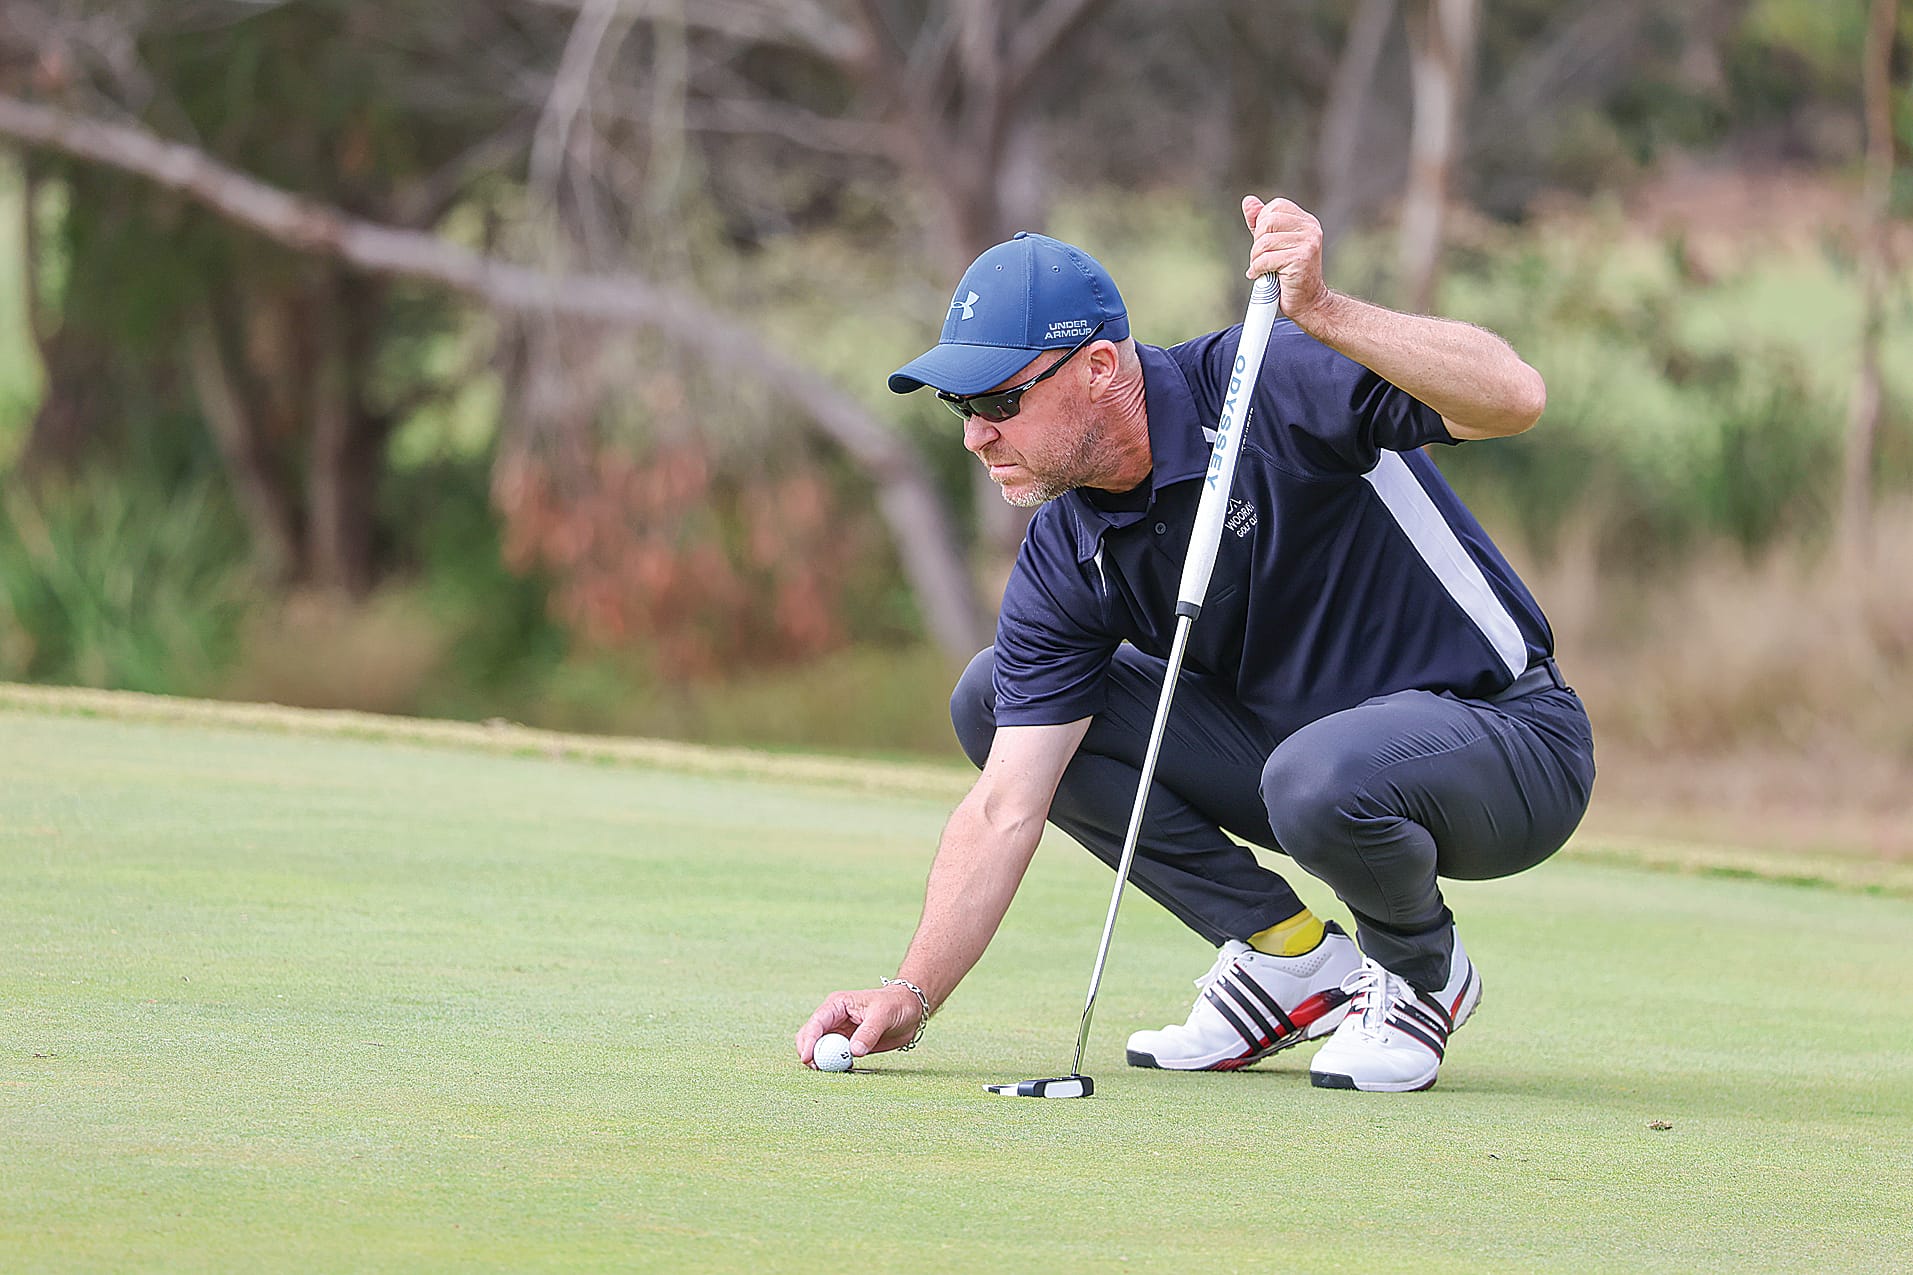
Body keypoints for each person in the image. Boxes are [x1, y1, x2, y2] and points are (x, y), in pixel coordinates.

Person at [795, 196, 1595, 1092]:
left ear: (1099, 367)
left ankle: (1419, 971)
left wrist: (1324, 312)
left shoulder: (1268, 378)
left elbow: (1513, 397)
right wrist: (911, 993)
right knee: (992, 700)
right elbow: (1004, 806)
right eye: (960, 405)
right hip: (1302, 764)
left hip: (1508, 742)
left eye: (1000, 399)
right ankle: (1288, 957)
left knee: (1315, 771)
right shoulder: (1069, 551)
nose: (978, 434)